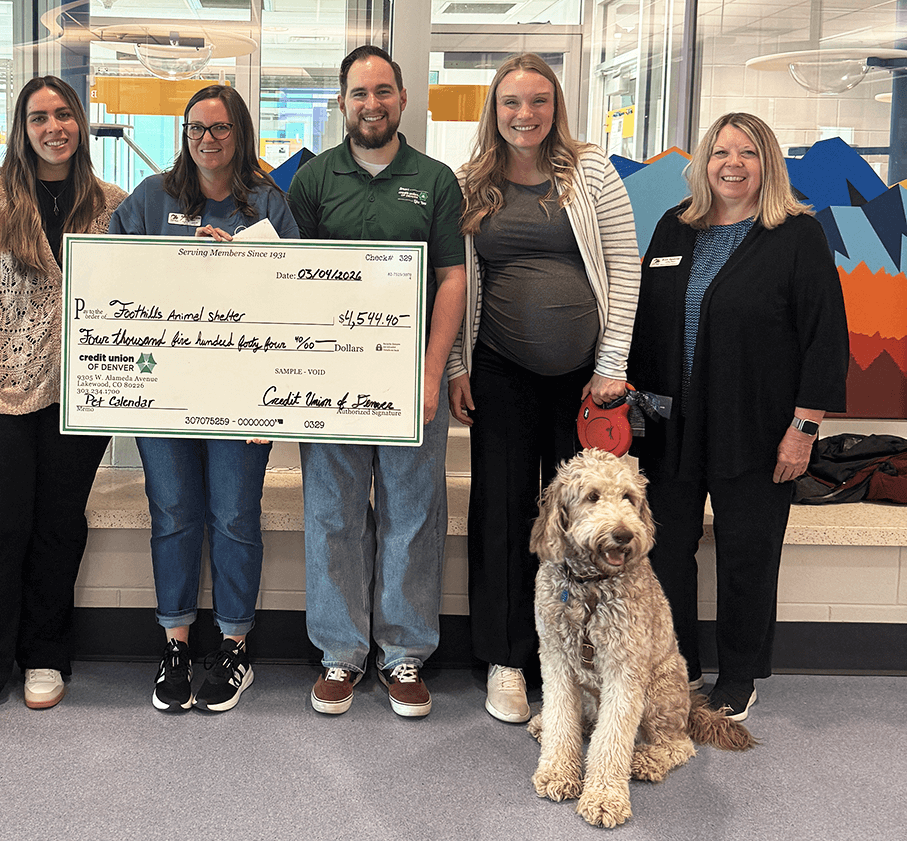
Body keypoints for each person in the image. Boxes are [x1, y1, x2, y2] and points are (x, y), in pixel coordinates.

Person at [628, 112, 848, 720]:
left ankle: (738, 675)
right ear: (704, 161)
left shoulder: (796, 235)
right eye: (721, 151)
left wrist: (803, 429)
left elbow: (824, 339)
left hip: (756, 426)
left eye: (747, 153)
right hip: (671, 424)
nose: (732, 163)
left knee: (747, 552)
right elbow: (646, 322)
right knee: (666, 549)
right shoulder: (676, 227)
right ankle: (679, 664)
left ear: (767, 163)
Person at [446, 53, 641, 725]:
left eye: (537, 101)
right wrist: (455, 368)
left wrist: (612, 362)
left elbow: (623, 263)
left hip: (584, 381)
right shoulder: (472, 182)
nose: (524, 114)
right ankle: (506, 659)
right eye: (510, 103)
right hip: (498, 370)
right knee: (501, 513)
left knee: (582, 521)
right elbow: (456, 280)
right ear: (493, 111)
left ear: (556, 106)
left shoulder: (591, 172)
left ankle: (581, 654)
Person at [0, 76, 126, 727]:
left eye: (63, 115)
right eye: (39, 117)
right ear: (22, 130)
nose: (54, 127)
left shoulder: (110, 203)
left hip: (80, 398)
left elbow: (150, 279)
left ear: (80, 124)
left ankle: (44, 653)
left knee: (57, 527)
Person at [109, 84, 300, 713]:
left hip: (244, 396)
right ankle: (175, 644)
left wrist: (245, 260)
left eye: (220, 128)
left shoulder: (269, 203)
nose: (207, 140)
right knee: (173, 512)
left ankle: (236, 644)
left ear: (240, 134)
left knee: (236, 516)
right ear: (183, 135)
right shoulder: (150, 199)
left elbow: (299, 298)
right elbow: (110, 279)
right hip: (162, 392)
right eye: (196, 128)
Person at [289, 46, 466, 718]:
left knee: (412, 514)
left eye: (383, 91)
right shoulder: (313, 181)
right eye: (359, 93)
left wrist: (432, 373)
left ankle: (405, 654)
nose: (372, 104)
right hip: (329, 379)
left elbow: (452, 278)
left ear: (402, 99)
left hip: (408, 381)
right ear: (342, 101)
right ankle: (340, 653)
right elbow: (287, 280)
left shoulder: (435, 179)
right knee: (331, 514)